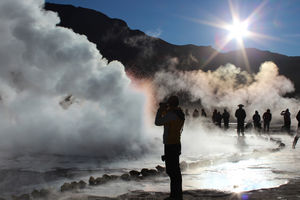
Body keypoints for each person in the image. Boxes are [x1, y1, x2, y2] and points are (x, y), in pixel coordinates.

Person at [155, 95, 185, 200]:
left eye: (169, 103)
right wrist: (166, 109)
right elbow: (167, 119)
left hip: (170, 144)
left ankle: (175, 196)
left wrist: (160, 109)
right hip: (175, 143)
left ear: (171, 103)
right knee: (175, 171)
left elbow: (157, 122)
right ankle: (176, 194)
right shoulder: (178, 113)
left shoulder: (172, 114)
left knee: (172, 171)